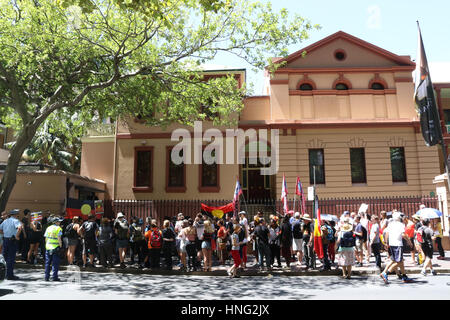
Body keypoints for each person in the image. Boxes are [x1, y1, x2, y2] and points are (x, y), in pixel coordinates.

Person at [380, 211, 413, 284]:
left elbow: (386, 233)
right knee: (399, 261)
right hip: (398, 244)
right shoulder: (401, 225)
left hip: (391, 244)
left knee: (398, 261)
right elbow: (403, 234)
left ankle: (404, 276)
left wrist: (386, 243)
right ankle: (386, 273)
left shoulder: (390, 224)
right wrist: (409, 242)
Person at [0, 209, 23, 280]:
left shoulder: (5, 221)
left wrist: (5, 234)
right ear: (16, 214)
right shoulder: (16, 221)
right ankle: (9, 275)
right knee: (11, 258)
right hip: (12, 241)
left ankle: (4, 274)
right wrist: (17, 236)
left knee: (5, 258)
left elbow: (0, 229)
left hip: (6, 240)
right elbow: (20, 228)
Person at [44, 216, 63, 281]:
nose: (60, 222)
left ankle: (46, 277)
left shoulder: (48, 228)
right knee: (55, 263)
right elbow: (59, 238)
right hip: (55, 248)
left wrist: (47, 244)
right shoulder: (58, 228)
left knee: (47, 263)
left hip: (48, 247)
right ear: (56, 222)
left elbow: (46, 238)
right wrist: (60, 245)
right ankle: (54, 277)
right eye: (59, 221)